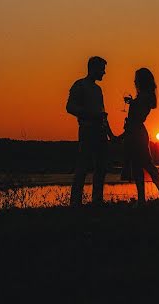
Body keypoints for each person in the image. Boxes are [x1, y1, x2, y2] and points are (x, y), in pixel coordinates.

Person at [67, 56, 115, 206]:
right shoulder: (79, 85)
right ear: (93, 69)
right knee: (82, 167)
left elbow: (102, 114)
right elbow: (70, 107)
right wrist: (88, 113)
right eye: (102, 69)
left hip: (100, 132)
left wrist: (111, 134)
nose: (104, 73)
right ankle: (75, 203)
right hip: (87, 131)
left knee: (101, 168)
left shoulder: (98, 89)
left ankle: (97, 201)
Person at [119, 67, 159, 203]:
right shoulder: (144, 97)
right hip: (136, 132)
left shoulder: (143, 98)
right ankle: (144, 199)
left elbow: (136, 117)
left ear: (141, 81)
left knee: (146, 165)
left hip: (136, 133)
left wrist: (133, 106)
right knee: (138, 166)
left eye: (136, 79)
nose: (134, 81)